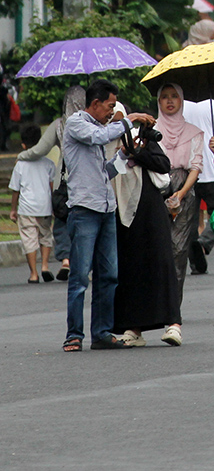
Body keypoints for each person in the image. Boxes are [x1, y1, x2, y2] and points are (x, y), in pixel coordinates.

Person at [62, 80, 158, 352]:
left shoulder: (100, 129)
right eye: (109, 106)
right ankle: (74, 335)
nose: (111, 111)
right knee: (80, 277)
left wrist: (125, 156)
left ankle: (102, 333)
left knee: (109, 276)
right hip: (84, 210)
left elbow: (104, 173)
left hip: (106, 209)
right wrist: (130, 119)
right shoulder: (77, 124)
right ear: (94, 104)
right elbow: (98, 137)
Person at [112, 123, 183, 347]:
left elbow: (163, 165)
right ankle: (134, 327)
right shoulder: (101, 140)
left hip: (150, 208)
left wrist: (136, 152)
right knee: (130, 267)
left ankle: (174, 324)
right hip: (121, 209)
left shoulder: (139, 137)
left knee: (161, 262)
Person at [16, 87, 84, 281]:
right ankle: (81, 263)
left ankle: (66, 261)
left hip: (63, 182)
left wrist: (21, 156)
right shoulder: (92, 123)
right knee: (84, 223)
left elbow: (39, 150)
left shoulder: (59, 125)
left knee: (62, 221)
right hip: (86, 182)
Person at [155, 85, 206, 309]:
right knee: (158, 248)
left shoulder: (193, 132)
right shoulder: (152, 130)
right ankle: (157, 304)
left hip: (184, 190)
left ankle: (174, 308)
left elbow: (195, 167)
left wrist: (181, 193)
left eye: (174, 96)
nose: (169, 101)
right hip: (156, 189)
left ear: (182, 100)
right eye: (164, 97)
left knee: (179, 248)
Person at [181, 97, 214, 275]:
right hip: (212, 171)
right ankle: (205, 241)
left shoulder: (179, 105)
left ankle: (197, 265)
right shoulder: (213, 106)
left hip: (188, 173)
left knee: (190, 221)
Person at [8, 125, 56, 283]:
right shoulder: (48, 163)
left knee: (29, 240)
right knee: (45, 236)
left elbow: (16, 190)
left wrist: (13, 209)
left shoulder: (20, 164)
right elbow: (51, 186)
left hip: (27, 208)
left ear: (23, 145)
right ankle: (45, 266)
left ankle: (34, 274)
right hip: (45, 207)